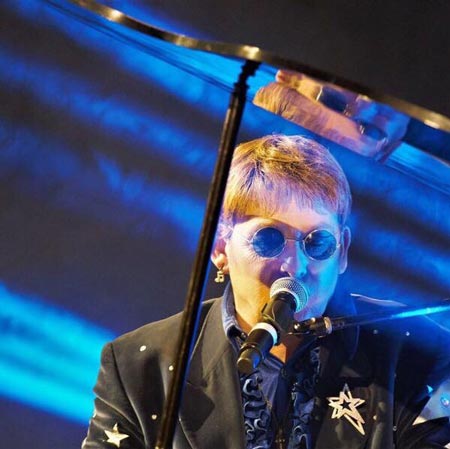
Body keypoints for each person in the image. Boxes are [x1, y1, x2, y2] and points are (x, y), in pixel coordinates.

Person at [82, 134, 450, 449]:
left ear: (343, 252)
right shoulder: (138, 365)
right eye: (269, 239)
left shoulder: (419, 351)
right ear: (220, 247)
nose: (294, 266)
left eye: (317, 242)